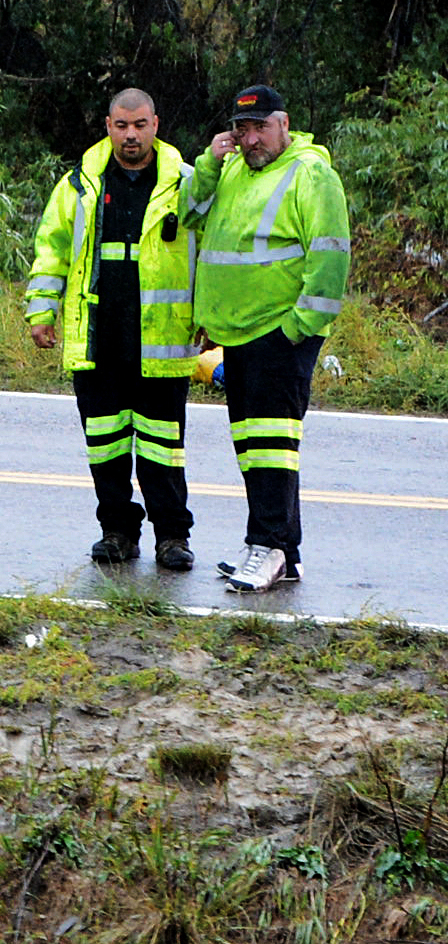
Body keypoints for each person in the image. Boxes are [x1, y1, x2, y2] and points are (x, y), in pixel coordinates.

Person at [184, 83, 352, 592]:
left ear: (283, 124)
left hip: (280, 333)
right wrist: (210, 163)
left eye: (259, 127)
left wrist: (296, 329)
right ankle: (284, 551)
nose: (251, 138)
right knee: (253, 445)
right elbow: (188, 215)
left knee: (273, 447)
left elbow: (330, 258)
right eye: (242, 129)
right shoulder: (232, 168)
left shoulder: (311, 173)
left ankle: (268, 545)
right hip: (237, 332)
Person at [23, 88, 199, 569]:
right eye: (122, 126)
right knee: (106, 446)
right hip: (98, 337)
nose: (131, 136)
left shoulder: (186, 183)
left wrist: (210, 316)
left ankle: (172, 538)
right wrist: (42, 311)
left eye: (139, 125)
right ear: (108, 126)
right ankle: (117, 532)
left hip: (160, 340)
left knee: (164, 449)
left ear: (156, 125)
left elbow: (209, 252)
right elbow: (51, 248)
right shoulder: (81, 184)